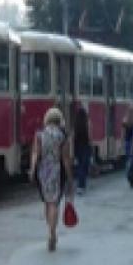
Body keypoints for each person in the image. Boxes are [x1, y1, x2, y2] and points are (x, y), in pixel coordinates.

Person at [31, 107, 73, 251]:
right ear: (59, 119)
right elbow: (66, 159)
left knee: (47, 202)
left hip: (43, 170)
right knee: (54, 202)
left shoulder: (39, 135)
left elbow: (36, 153)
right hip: (57, 170)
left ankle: (49, 229)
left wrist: (32, 170)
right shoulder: (62, 136)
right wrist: (70, 177)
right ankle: (52, 233)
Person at [71, 103, 92, 195]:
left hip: (77, 146)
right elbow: (90, 137)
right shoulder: (88, 123)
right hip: (86, 146)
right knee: (84, 166)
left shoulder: (75, 125)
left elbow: (72, 137)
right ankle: (81, 185)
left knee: (80, 165)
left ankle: (80, 185)